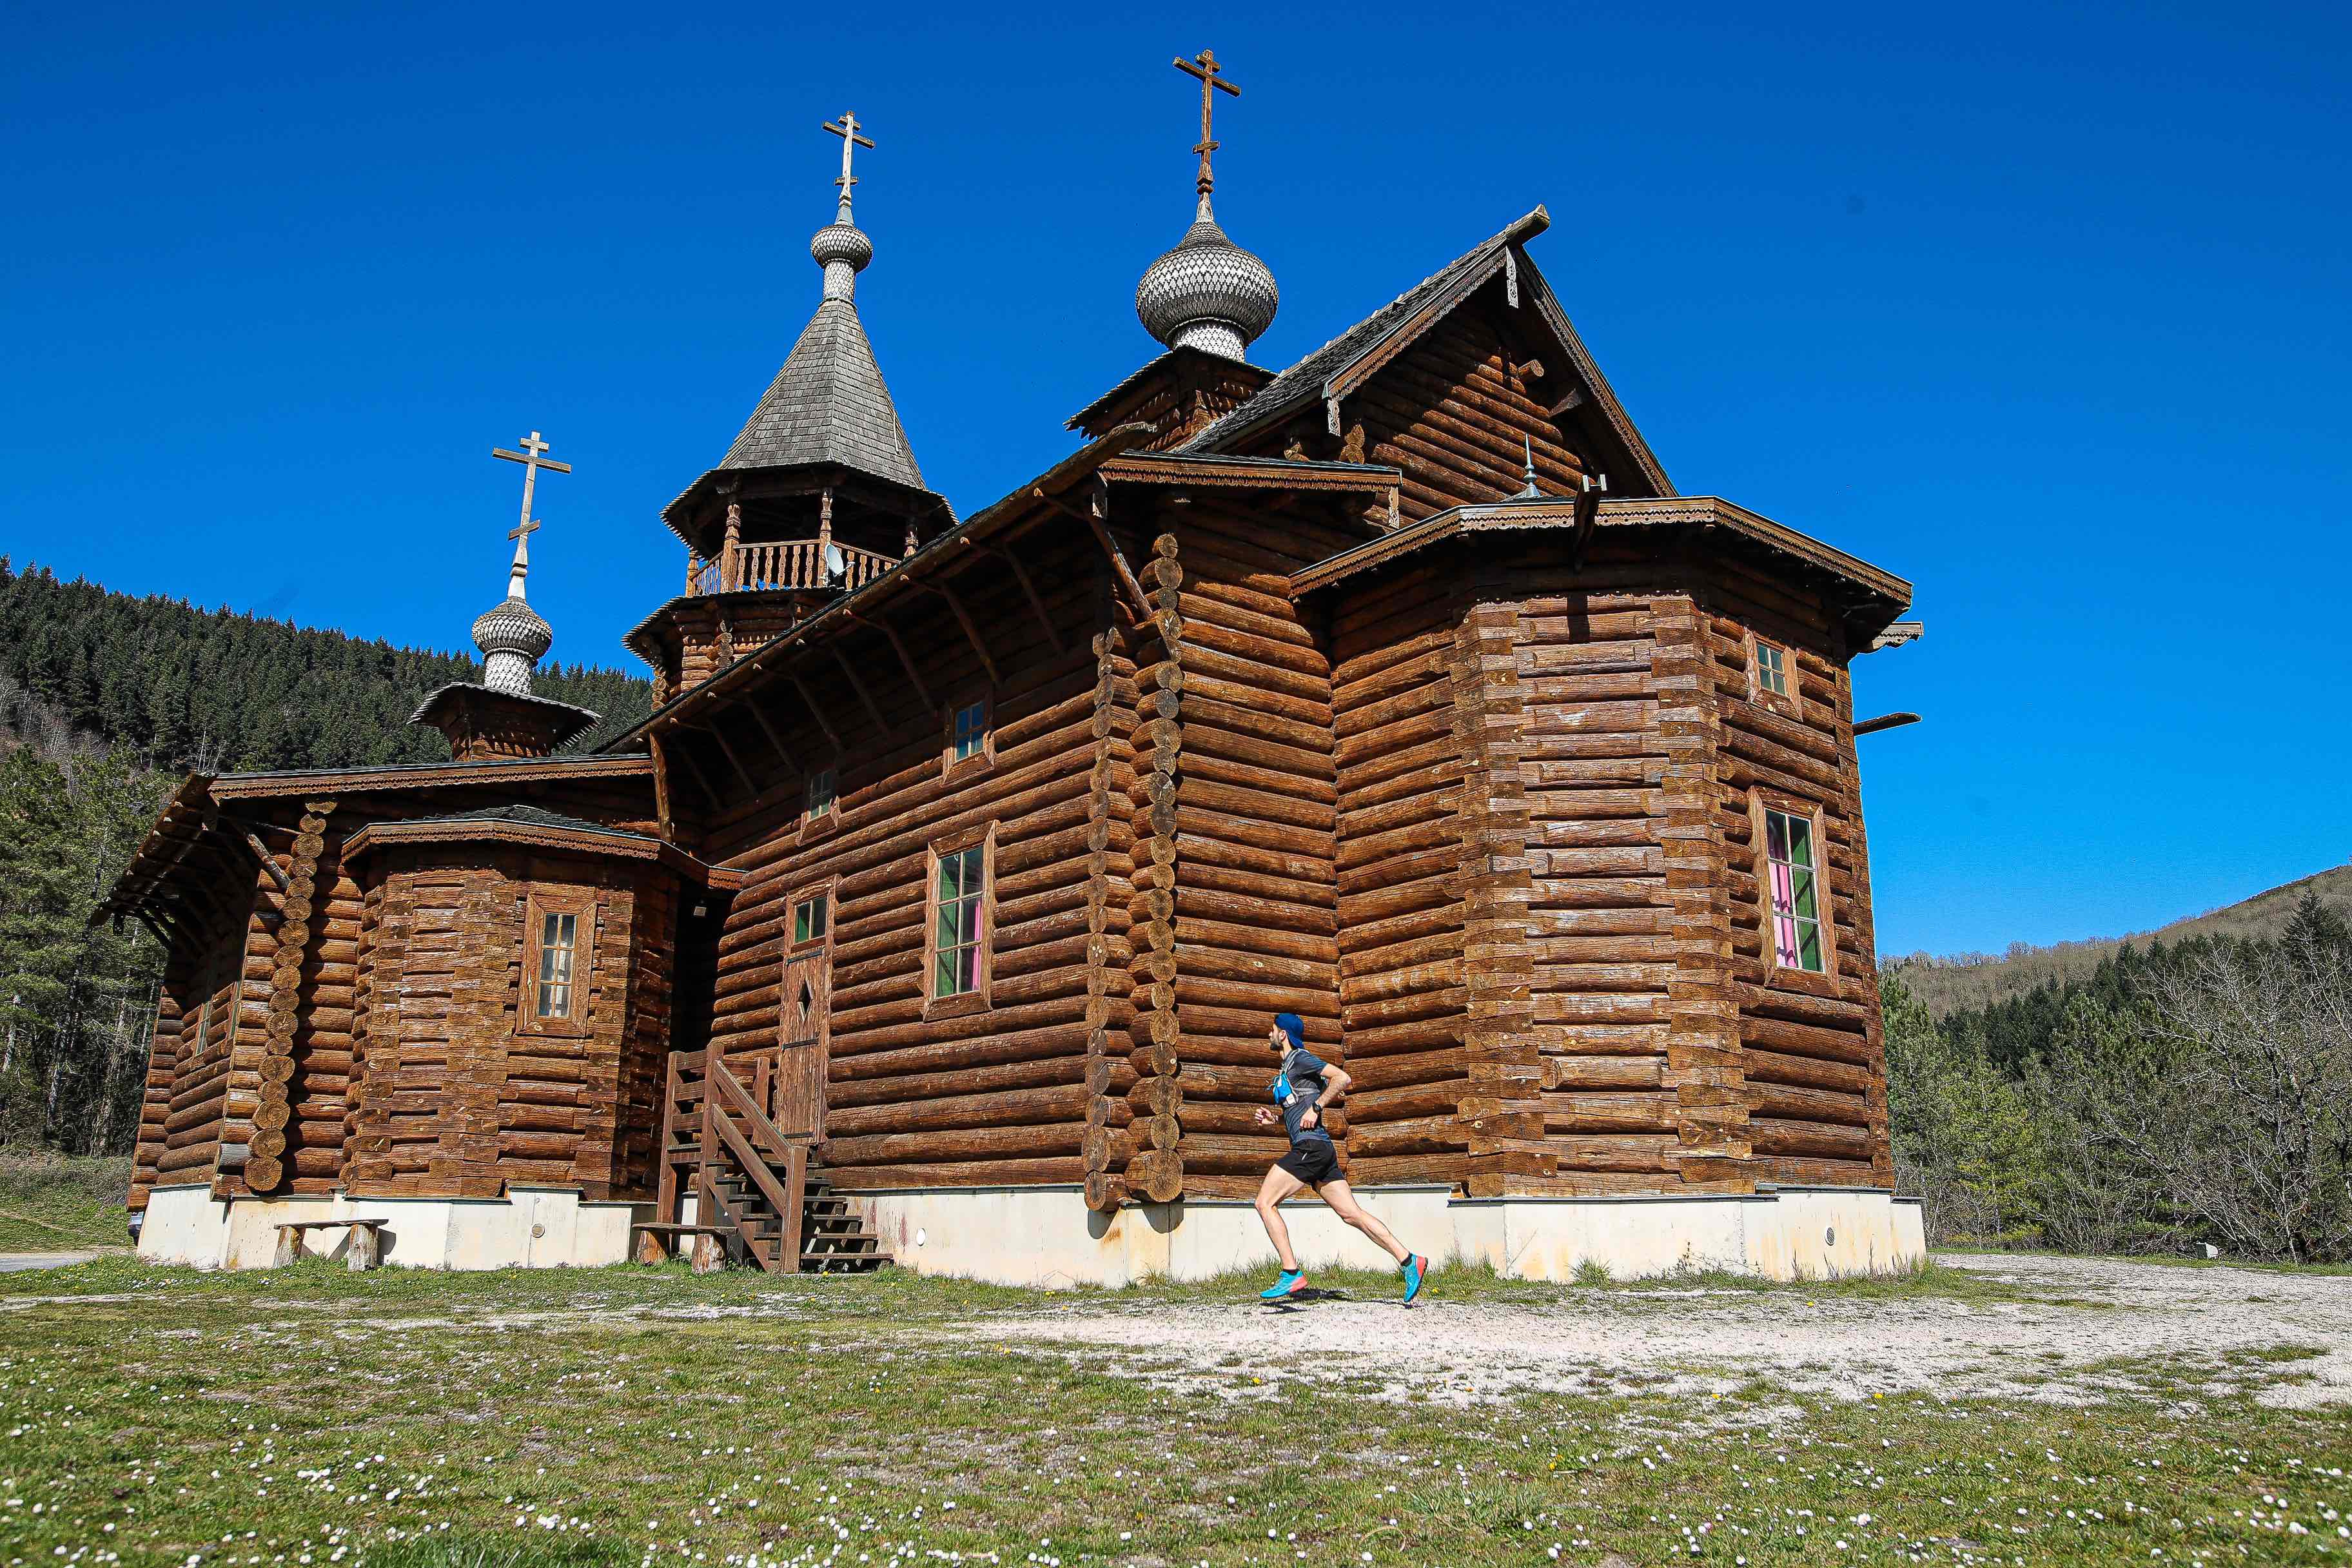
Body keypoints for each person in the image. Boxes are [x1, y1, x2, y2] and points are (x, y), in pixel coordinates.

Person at [1252, 1010, 1431, 1303]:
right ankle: (1410, 1261)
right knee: (1353, 1215)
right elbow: (1300, 1112)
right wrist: (1276, 1120)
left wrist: (1318, 1108)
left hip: (1311, 1148)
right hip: (1319, 1148)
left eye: (1272, 1030)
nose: (1268, 1035)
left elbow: (1342, 1078)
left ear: (1282, 1034)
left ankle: (1291, 1272)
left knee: (1264, 1202)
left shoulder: (1300, 1058)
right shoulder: (1288, 1069)